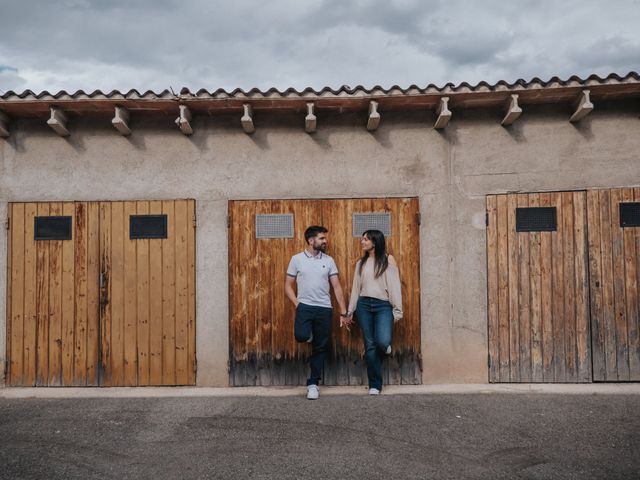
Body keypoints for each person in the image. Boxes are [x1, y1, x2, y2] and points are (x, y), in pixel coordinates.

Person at [285, 225, 350, 400]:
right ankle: (309, 335)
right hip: (305, 306)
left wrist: (343, 311)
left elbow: (336, 286)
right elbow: (288, 286)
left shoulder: (328, 260)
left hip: (324, 308)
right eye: (322, 238)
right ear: (311, 240)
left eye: (324, 238)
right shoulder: (296, 259)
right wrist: (298, 304)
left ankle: (313, 384)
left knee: (320, 347)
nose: (325, 241)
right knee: (301, 335)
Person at [347, 229, 403, 395]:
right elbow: (356, 289)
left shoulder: (388, 260)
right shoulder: (360, 263)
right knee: (370, 345)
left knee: (382, 341)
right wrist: (350, 311)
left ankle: (385, 346)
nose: (362, 242)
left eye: (366, 239)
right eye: (362, 239)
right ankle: (375, 385)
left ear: (375, 242)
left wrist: (397, 311)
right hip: (364, 305)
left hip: (383, 306)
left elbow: (394, 286)